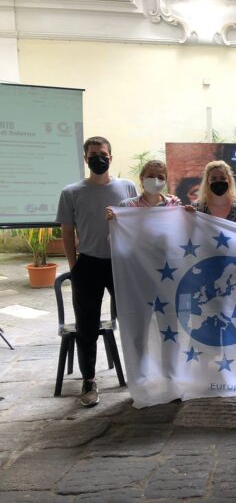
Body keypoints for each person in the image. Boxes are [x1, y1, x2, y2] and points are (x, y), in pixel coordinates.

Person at [55, 136, 137, 407]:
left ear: (111, 157)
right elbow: (67, 231)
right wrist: (74, 265)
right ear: (85, 159)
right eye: (93, 155)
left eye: (102, 154)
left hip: (121, 263)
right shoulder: (71, 192)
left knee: (132, 319)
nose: (98, 159)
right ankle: (89, 380)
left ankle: (140, 374)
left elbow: (139, 220)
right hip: (87, 264)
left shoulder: (127, 187)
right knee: (87, 325)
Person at [105, 160, 180, 218]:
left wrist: (186, 214)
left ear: (165, 181)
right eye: (151, 176)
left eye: (160, 177)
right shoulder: (127, 206)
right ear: (141, 178)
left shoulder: (174, 205)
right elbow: (120, 231)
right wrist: (113, 220)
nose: (155, 181)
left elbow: (180, 228)